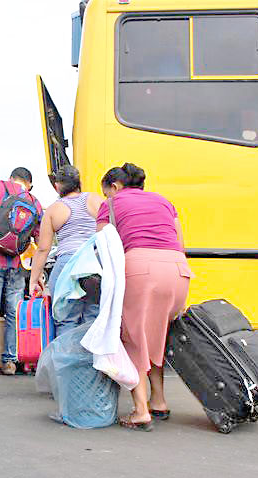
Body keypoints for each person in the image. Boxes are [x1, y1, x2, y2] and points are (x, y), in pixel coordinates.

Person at [97, 163, 192, 431]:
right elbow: (180, 243)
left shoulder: (112, 204)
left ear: (114, 187)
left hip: (141, 270)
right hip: (178, 271)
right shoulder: (164, 202)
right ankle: (158, 400)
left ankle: (140, 411)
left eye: (106, 192)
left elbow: (104, 248)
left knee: (133, 339)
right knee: (157, 336)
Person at [0, 167, 43, 377]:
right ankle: (10, 362)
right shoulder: (34, 200)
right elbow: (39, 238)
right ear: (28, 183)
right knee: (14, 311)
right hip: (16, 263)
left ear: (12, 178)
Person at [29, 165, 103, 335]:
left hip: (67, 265)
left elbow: (43, 249)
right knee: (93, 318)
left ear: (57, 186)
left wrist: (34, 279)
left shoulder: (55, 209)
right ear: (79, 183)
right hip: (95, 263)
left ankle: (67, 361)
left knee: (66, 320)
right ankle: (90, 361)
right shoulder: (96, 200)